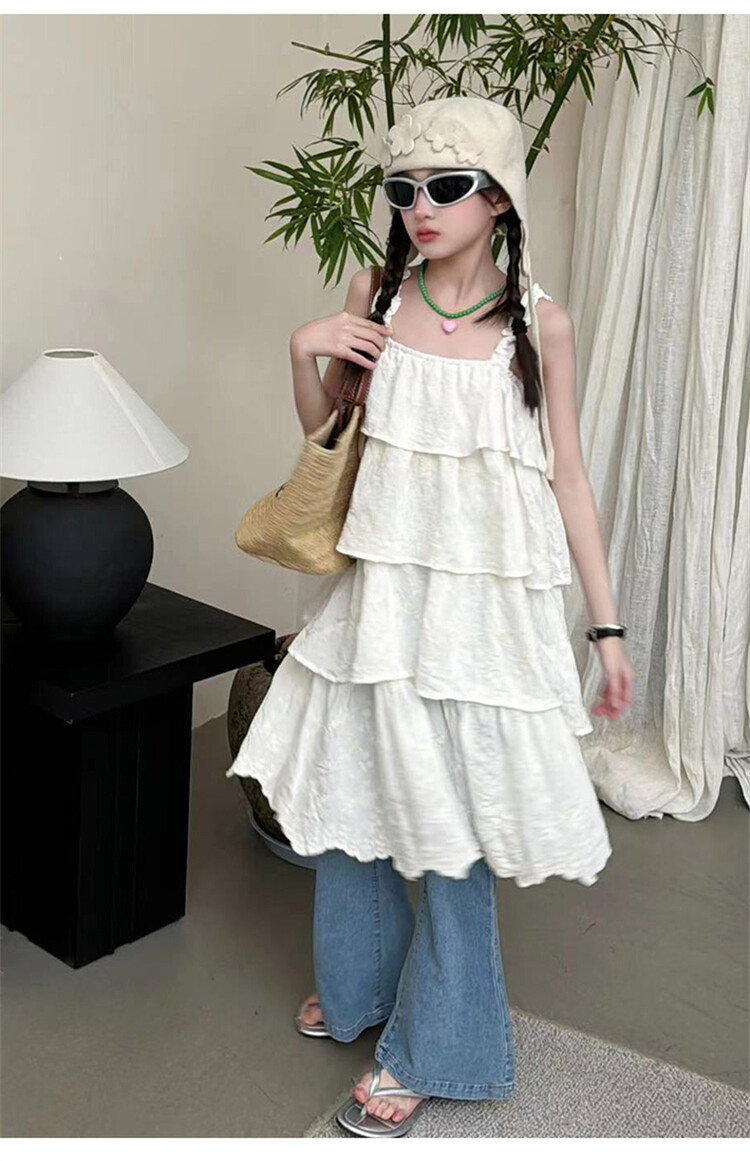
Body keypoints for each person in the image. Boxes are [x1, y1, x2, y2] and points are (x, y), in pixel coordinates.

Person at [226, 96, 634, 1137]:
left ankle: (433, 1048)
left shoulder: (540, 325)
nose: (420, 206)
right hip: (377, 600)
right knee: (351, 797)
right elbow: (331, 438)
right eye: (403, 188)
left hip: (479, 624)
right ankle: (361, 989)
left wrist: (607, 628)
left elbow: (570, 479)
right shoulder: (374, 290)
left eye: (446, 186)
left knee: (453, 833)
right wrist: (303, 350)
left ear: (499, 200)